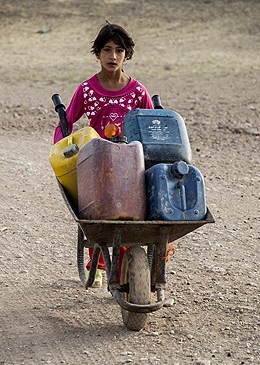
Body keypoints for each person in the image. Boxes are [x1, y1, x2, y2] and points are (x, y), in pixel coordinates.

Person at [53, 22, 154, 288]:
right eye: (107, 50)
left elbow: (153, 124)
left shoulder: (138, 92)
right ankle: (97, 264)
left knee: (128, 216)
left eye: (119, 51)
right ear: (97, 53)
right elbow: (67, 124)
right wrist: (62, 153)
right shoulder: (86, 90)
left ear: (126, 55)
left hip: (131, 164)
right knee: (97, 214)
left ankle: (126, 269)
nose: (113, 56)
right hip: (97, 164)